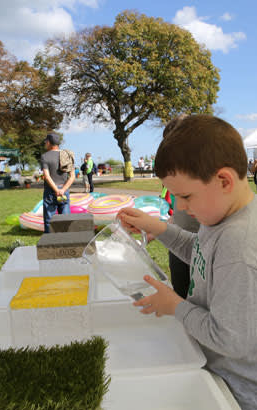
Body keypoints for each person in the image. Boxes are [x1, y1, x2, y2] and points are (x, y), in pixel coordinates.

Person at [118, 115, 257, 410]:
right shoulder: (219, 216)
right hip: (216, 373)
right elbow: (202, 255)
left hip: (235, 393)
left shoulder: (240, 246)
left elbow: (230, 340)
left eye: (185, 196)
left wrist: (176, 306)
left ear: (224, 180)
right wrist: (158, 227)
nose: (179, 206)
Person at [162, 115, 200, 299]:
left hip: (201, 246)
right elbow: (178, 210)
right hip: (178, 244)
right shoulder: (176, 170)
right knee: (181, 294)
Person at [41, 132, 75, 233]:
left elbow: (47, 176)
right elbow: (72, 176)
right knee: (66, 221)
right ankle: (66, 242)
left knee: (49, 221)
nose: (45, 144)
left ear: (48, 142)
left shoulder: (45, 156)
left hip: (50, 192)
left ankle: (50, 245)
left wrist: (56, 190)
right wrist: (63, 190)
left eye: (46, 142)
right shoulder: (67, 155)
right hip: (64, 191)